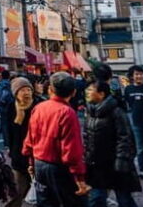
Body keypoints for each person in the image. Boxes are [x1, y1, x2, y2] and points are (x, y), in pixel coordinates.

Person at [22, 71, 89, 207]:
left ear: (50, 89)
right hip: (60, 167)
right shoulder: (67, 112)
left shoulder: (39, 108)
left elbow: (30, 139)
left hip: (40, 164)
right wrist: (79, 177)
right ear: (73, 92)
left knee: (46, 202)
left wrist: (31, 162)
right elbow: (71, 150)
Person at [84, 81, 141, 207]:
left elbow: (125, 137)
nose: (87, 92)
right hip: (97, 164)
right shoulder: (90, 111)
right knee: (96, 198)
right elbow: (87, 136)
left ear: (102, 94)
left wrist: (121, 160)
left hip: (116, 164)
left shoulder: (116, 112)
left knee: (124, 198)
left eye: (90, 90)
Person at [5, 77, 43, 207]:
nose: (26, 92)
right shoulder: (12, 107)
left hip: (36, 154)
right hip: (18, 154)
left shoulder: (38, 105)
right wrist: (9, 147)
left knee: (41, 191)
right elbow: (8, 130)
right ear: (16, 93)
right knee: (17, 190)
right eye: (22, 90)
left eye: (28, 89)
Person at [124, 65, 143, 179]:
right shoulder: (128, 89)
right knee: (141, 149)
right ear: (132, 76)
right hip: (136, 124)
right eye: (136, 74)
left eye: (140, 74)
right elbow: (129, 104)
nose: (139, 76)